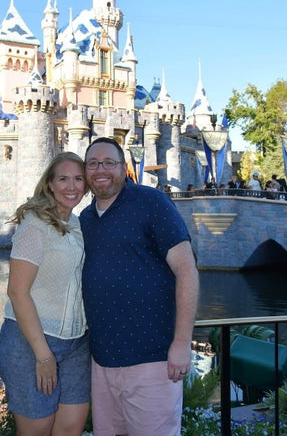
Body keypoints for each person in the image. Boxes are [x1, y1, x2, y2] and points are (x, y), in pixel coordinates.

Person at [79, 137, 199, 436]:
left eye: (109, 162)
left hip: (152, 362)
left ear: (123, 167)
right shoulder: (85, 218)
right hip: (102, 361)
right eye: (93, 163)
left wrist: (182, 344)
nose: (100, 169)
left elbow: (186, 270)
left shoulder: (151, 202)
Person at [0, 152, 90, 436]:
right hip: (32, 343)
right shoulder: (35, 225)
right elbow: (17, 291)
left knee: (71, 428)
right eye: (63, 179)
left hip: (77, 342)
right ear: (50, 184)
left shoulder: (77, 223)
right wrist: (44, 356)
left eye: (78, 179)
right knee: (36, 431)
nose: (72, 186)